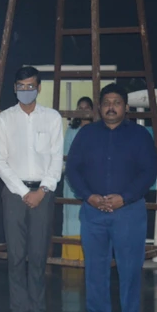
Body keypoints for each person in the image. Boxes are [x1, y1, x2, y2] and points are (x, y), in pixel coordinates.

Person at [66, 83, 157, 312]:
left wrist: (124, 198)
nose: (111, 107)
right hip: (93, 211)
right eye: (106, 103)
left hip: (129, 212)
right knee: (95, 268)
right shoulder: (86, 134)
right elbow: (73, 169)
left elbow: (148, 172)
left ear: (125, 107)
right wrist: (89, 196)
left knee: (130, 268)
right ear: (99, 107)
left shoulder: (140, 135)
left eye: (116, 103)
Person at [0, 67, 63, 312]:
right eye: (21, 86)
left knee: (38, 255)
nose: (26, 91)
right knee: (16, 256)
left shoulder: (52, 118)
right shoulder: (4, 119)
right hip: (14, 193)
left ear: (39, 88)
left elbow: (56, 158)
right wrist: (24, 192)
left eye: (30, 86)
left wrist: (42, 190)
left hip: (43, 193)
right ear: (14, 88)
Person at [62, 96, 94, 260]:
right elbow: (65, 157)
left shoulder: (97, 131)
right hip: (72, 182)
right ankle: (72, 257)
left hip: (92, 183)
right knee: (72, 219)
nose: (83, 111)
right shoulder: (71, 131)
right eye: (79, 108)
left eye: (86, 108)